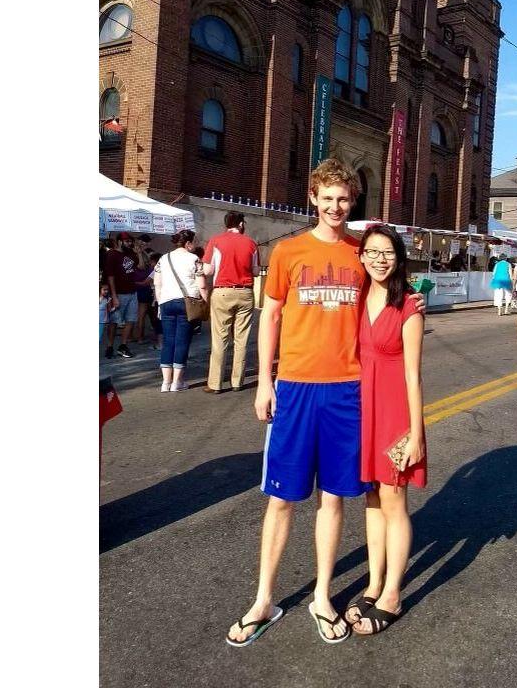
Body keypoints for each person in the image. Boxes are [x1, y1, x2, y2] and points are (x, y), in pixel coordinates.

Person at [226, 159, 424, 648]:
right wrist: (264, 381)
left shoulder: (363, 254)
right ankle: (263, 600)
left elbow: (391, 289)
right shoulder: (290, 251)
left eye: (344, 199)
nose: (336, 207)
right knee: (281, 499)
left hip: (347, 392)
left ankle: (322, 596)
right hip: (294, 387)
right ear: (313, 197)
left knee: (333, 499)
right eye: (328, 198)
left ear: (352, 202)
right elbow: (270, 316)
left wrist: (414, 300)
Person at [346, 224, 426, 637]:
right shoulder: (355, 298)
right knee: (373, 498)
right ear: (361, 256)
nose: (380, 258)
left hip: (395, 413)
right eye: (372, 251)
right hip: (363, 412)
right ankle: (373, 581)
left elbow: (413, 376)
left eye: (388, 252)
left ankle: (392, 591)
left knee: (394, 500)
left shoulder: (409, 306)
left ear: (399, 257)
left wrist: (416, 433)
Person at [202, 212, 260, 393]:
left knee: (220, 338)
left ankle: (215, 383)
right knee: (241, 339)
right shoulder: (251, 243)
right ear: (241, 224)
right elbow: (256, 271)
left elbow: (208, 270)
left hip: (222, 291)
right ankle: (237, 381)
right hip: (245, 292)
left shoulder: (216, 241)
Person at [153, 230, 208, 393]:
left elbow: (157, 283)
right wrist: (205, 302)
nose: (195, 245)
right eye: (194, 242)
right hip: (187, 302)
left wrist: (160, 301)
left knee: (168, 341)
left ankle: (165, 383)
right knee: (182, 341)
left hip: (166, 302)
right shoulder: (194, 259)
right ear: (188, 243)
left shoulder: (164, 258)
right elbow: (202, 285)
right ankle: (177, 382)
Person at [104, 232, 140, 358]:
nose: (130, 243)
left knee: (131, 320)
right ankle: (109, 345)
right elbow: (110, 276)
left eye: (131, 241)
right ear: (119, 241)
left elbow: (139, 266)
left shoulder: (132, 254)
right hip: (119, 293)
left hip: (132, 292)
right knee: (114, 321)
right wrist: (114, 296)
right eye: (127, 241)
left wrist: (139, 252)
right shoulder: (112, 254)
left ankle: (123, 346)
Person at [131, 248, 155, 344]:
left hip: (136, 292)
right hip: (146, 292)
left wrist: (132, 283)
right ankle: (140, 337)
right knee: (142, 316)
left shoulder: (135, 268)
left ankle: (135, 336)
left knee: (136, 316)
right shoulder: (150, 269)